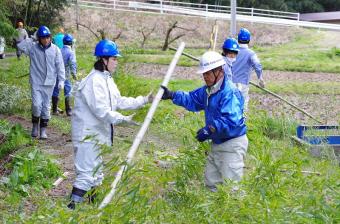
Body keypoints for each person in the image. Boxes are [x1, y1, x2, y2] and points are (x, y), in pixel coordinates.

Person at [67, 39, 153, 209]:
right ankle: (71, 209)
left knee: (97, 173)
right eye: (114, 59)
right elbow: (101, 110)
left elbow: (118, 101)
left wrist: (144, 100)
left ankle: (92, 208)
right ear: (103, 60)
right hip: (87, 135)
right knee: (85, 174)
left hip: (97, 134)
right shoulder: (93, 81)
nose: (117, 62)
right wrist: (123, 119)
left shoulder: (106, 79)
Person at [161, 51, 248, 192]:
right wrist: (172, 95)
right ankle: (216, 213)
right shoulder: (208, 90)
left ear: (219, 71)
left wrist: (210, 129)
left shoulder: (229, 92)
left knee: (232, 188)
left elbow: (231, 121)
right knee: (211, 183)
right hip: (217, 143)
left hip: (232, 144)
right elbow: (192, 99)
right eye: (204, 74)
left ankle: (237, 213)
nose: (205, 77)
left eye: (207, 73)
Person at [18, 25, 65, 139]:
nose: (46, 40)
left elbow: (60, 65)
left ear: (50, 37)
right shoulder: (33, 48)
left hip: (49, 83)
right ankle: (35, 126)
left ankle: (43, 130)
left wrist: (62, 80)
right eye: (43, 37)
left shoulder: (55, 50)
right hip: (36, 81)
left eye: (47, 37)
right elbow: (20, 45)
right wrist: (32, 38)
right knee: (36, 105)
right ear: (39, 38)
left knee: (45, 106)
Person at [232, 28, 265, 111]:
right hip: (242, 85)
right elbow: (257, 65)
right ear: (249, 40)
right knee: (242, 107)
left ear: (238, 39)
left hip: (229, 84)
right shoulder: (251, 53)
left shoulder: (231, 51)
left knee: (230, 106)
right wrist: (260, 79)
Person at [52, 34, 77, 116]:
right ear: (71, 43)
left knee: (56, 90)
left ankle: (55, 110)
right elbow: (72, 64)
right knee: (68, 91)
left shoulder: (59, 50)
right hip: (66, 74)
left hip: (56, 73)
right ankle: (68, 110)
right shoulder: (71, 52)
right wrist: (74, 74)